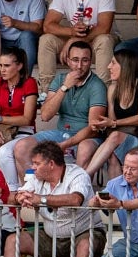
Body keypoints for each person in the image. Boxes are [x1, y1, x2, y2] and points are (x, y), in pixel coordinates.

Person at [0, 141, 103, 257]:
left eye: (37, 164)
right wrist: (19, 198)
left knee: (86, 244)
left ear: (51, 164)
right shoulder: (36, 177)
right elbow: (12, 197)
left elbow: (76, 199)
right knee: (13, 240)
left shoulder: (77, 174)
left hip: (83, 231)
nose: (33, 167)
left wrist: (41, 199)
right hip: (51, 234)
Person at [40, 0, 117, 87]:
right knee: (46, 40)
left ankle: (102, 89)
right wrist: (71, 32)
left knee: (104, 40)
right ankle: (46, 90)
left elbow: (104, 28)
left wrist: (74, 40)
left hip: (97, 41)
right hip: (77, 42)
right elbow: (48, 26)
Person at [81, 49, 138, 179]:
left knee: (116, 136)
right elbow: (112, 123)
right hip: (121, 137)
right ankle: (114, 195)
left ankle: (85, 177)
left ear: (125, 66)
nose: (108, 66)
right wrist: (103, 125)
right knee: (112, 154)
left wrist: (114, 123)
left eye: (113, 63)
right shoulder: (112, 89)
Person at [32, 41, 105, 174]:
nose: (79, 66)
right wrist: (65, 87)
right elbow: (45, 115)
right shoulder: (60, 79)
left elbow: (93, 128)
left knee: (84, 148)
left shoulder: (97, 85)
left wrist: (65, 144)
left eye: (85, 61)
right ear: (68, 60)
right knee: (22, 147)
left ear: (90, 62)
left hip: (85, 138)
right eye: (75, 60)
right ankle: (33, 190)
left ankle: (77, 192)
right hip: (61, 133)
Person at [0, 47, 38, 192]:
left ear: (19, 66)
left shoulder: (30, 83)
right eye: (0, 65)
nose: (2, 70)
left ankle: (13, 191)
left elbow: (27, 119)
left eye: (7, 66)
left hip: (23, 133)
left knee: (4, 153)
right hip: (0, 132)